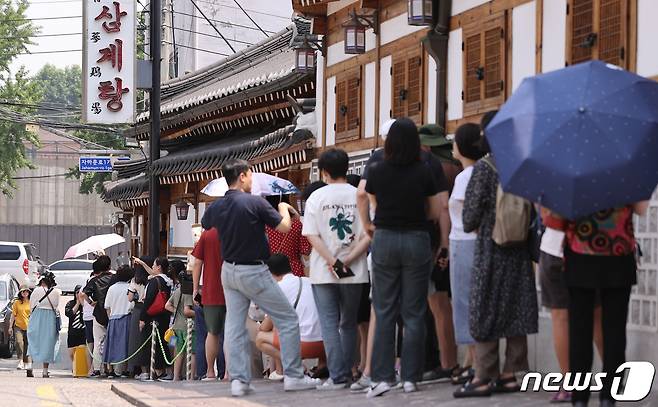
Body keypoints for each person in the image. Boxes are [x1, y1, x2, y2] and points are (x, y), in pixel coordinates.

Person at [201, 158, 321, 396]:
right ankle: (294, 376)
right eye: (251, 175)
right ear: (243, 176)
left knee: (235, 326)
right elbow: (284, 227)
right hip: (254, 269)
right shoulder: (255, 203)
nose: (252, 180)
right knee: (286, 319)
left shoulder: (216, 206)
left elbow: (206, 224)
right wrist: (284, 209)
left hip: (229, 270)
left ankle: (239, 380)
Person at [454, 111, 538, 398]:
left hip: (490, 248)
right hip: (518, 249)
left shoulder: (484, 168)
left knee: (485, 307)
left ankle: (483, 376)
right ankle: (511, 374)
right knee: (516, 307)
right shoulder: (523, 166)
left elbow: (469, 218)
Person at [364, 118, 443, 397]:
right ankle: (411, 376)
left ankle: (383, 377)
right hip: (416, 239)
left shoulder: (377, 169)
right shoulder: (424, 170)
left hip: (384, 238)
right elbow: (435, 211)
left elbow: (363, 195)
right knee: (414, 312)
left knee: (385, 310)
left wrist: (367, 224)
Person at [545, 201, 648, 407]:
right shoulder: (625, 174)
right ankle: (608, 397)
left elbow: (554, 222)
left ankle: (580, 398)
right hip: (619, 254)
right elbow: (641, 210)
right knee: (615, 330)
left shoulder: (573, 173)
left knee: (579, 331)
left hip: (580, 257)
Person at [302, 148, 370, 390]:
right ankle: (348, 372)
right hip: (354, 269)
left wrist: (332, 260)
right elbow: (367, 234)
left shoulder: (316, 198)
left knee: (329, 323)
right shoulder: (359, 195)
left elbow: (311, 234)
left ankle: (337, 376)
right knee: (349, 323)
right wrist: (348, 259)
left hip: (324, 269)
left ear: (324, 172)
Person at [539, 208, 606, 404]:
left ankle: (570, 384)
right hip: (590, 248)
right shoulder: (598, 178)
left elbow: (545, 215)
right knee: (596, 316)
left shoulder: (550, 178)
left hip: (554, 249)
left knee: (560, 318)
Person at [419, 123, 459, 383]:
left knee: (436, 305)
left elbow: (438, 210)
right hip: (454, 242)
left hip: (437, 243)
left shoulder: (434, 169)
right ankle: (449, 361)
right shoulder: (456, 167)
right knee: (443, 305)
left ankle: (444, 362)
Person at [445, 123, 485, 385]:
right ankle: (472, 360)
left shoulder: (465, 177)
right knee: (473, 301)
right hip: (477, 243)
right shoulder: (482, 173)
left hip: (463, 241)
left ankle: (474, 360)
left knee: (464, 303)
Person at [256, 254, 326, 380]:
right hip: (326, 345)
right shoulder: (308, 281)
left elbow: (265, 327)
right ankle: (323, 365)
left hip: (304, 346)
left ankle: (296, 366)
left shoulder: (278, 289)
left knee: (260, 338)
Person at [191, 227, 226, 381]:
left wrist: (195, 288)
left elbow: (197, 262)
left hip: (211, 290)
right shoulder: (236, 230)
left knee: (211, 333)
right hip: (234, 288)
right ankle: (227, 373)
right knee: (230, 333)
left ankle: (210, 372)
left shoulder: (207, 235)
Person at [139, 257, 174, 381]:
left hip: (152, 316)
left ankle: (157, 371)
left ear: (159, 267)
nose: (152, 267)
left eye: (154, 265)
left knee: (152, 344)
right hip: (164, 315)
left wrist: (142, 317)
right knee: (162, 343)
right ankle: (163, 371)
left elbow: (148, 300)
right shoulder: (168, 281)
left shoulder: (155, 281)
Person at [82, 255, 114, 377]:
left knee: (98, 342)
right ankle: (110, 368)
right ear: (109, 266)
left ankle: (97, 368)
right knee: (111, 341)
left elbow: (84, 293)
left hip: (98, 313)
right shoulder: (114, 278)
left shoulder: (94, 280)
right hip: (112, 312)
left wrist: (91, 303)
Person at [266, 195, 312, 278]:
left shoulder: (265, 226)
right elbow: (305, 250)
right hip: (294, 269)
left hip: (271, 270)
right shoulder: (296, 224)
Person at [27, 271, 61, 378]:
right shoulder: (56, 292)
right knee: (48, 343)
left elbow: (31, 306)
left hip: (36, 316)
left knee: (33, 341)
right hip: (49, 318)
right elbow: (55, 306)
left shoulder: (36, 290)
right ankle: (45, 371)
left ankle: (29, 367)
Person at [165, 267, 196, 381]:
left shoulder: (177, 290)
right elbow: (187, 311)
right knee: (193, 352)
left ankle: (176, 376)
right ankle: (191, 377)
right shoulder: (188, 292)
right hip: (187, 327)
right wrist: (199, 313)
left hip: (176, 327)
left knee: (178, 352)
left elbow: (167, 305)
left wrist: (176, 312)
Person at [104, 265, 134, 377]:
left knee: (111, 344)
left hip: (113, 318)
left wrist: (110, 318)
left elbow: (107, 306)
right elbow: (132, 305)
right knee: (125, 344)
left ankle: (110, 369)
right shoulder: (130, 287)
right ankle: (124, 370)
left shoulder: (112, 288)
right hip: (126, 318)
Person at [127, 256, 152, 379]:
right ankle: (151, 368)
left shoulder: (135, 280)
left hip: (138, 310)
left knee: (137, 340)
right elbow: (153, 273)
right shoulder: (151, 278)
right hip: (150, 309)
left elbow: (130, 298)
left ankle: (142, 370)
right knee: (148, 339)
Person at [65, 285, 87, 372]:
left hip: (83, 331)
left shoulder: (86, 304)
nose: (79, 294)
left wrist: (82, 302)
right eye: (77, 292)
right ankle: (75, 364)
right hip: (72, 332)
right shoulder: (70, 303)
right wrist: (77, 303)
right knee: (71, 353)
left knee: (81, 351)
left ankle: (79, 368)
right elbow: (70, 313)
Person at [10, 285, 31, 372]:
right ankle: (20, 361)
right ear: (20, 293)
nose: (25, 293)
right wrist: (10, 327)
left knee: (27, 344)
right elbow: (13, 315)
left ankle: (26, 362)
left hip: (28, 327)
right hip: (18, 326)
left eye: (26, 291)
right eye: (23, 291)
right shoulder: (16, 303)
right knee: (19, 342)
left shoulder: (31, 302)